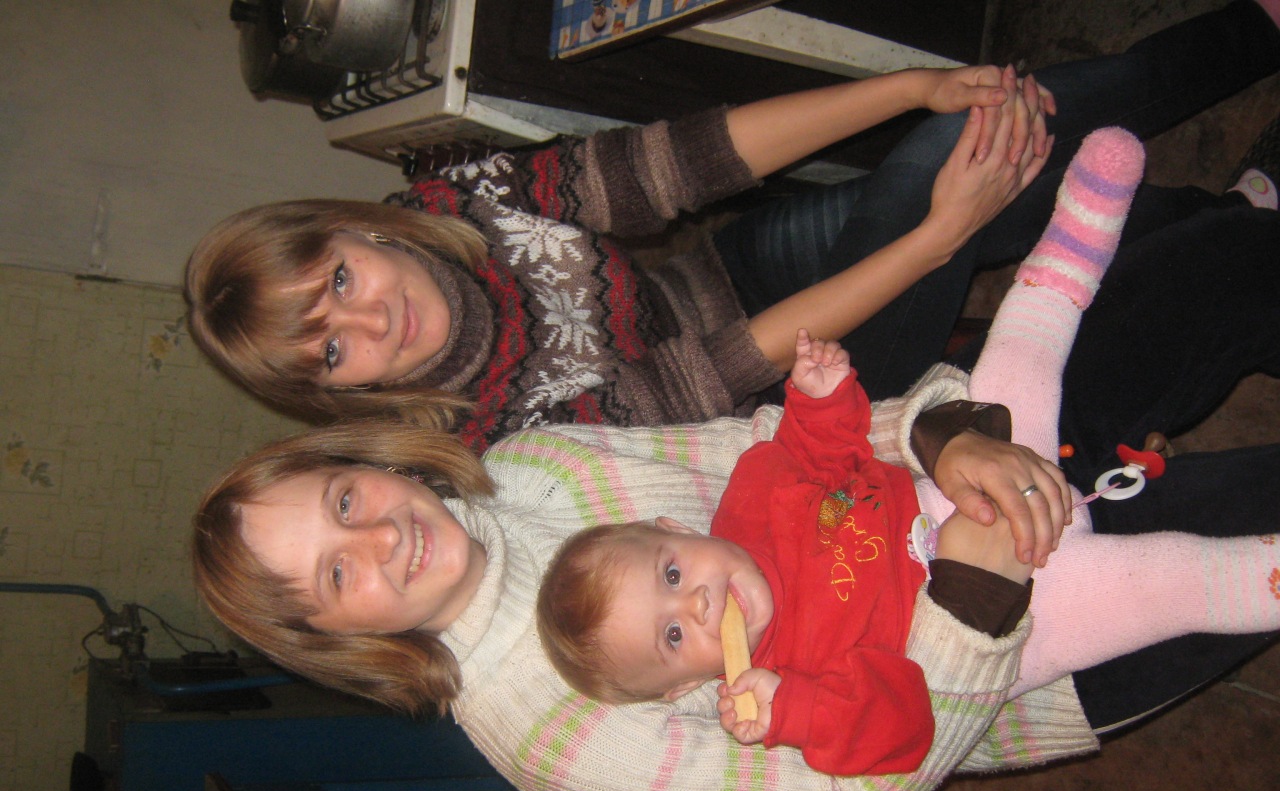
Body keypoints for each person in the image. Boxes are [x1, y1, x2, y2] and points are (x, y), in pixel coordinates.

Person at [191, 147, 1280, 791]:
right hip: (1032, 646)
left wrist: (946, 440)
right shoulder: (545, 745)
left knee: (1222, 268)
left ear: (368, 461)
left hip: (951, 481)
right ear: (339, 640)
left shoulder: (537, 463)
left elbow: (772, 446)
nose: (380, 541)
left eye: (344, 504)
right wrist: (971, 599)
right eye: (336, 577)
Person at [186, 2, 1280, 453]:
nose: (370, 323)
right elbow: (719, 372)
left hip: (722, 275)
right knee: (939, 186)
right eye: (330, 353)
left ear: (358, 236)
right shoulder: (494, 438)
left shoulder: (446, 204)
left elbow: (676, 163)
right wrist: (938, 238)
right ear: (337, 394)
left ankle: (1232, 164)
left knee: (974, 138)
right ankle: (1229, 224)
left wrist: (912, 87)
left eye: (337, 284)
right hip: (784, 400)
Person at [533, 131, 1280, 778]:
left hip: (954, 489)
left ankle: (1070, 252)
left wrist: (820, 399)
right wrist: (796, 713)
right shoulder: (793, 679)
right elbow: (905, 726)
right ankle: (1261, 576)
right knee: (1156, 584)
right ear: (681, 688)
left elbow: (818, 450)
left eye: (671, 573)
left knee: (1010, 370)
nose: (698, 604)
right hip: (1017, 616)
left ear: (672, 526)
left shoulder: (751, 499)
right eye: (673, 636)